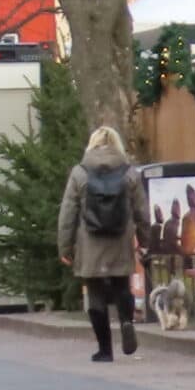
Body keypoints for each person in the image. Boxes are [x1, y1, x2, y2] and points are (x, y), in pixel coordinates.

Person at [59, 126, 142, 363]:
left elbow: (67, 213)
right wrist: (146, 240)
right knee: (122, 286)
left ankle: (105, 350)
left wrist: (65, 247)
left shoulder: (79, 173)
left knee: (95, 294)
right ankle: (126, 320)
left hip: (90, 242)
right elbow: (141, 211)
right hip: (120, 239)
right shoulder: (129, 173)